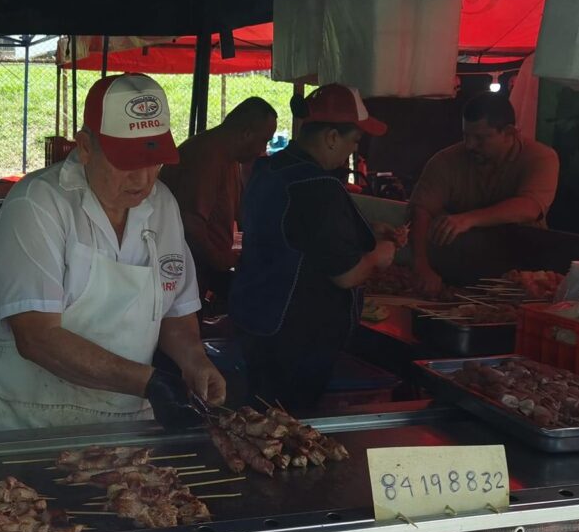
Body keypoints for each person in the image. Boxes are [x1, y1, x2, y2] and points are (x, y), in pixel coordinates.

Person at [0, 73, 226, 433]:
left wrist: (195, 361)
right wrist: (148, 383)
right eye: (127, 161)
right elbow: (37, 337)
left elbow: (175, 313)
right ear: (85, 146)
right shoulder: (37, 204)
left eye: (154, 161)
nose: (143, 179)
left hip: (127, 419)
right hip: (30, 418)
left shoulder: (161, 205)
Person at [229, 84, 396, 412]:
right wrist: (379, 255)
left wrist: (368, 229)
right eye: (354, 141)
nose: (351, 151)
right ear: (332, 137)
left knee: (260, 416)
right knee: (287, 430)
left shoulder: (269, 168)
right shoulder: (317, 185)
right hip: (296, 336)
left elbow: (295, 230)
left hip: (257, 321)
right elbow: (346, 275)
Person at [410, 93, 560, 294]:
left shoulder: (541, 157)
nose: (470, 145)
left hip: (522, 276)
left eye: (480, 138)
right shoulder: (445, 161)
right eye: (466, 136)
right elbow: (421, 210)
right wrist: (421, 265)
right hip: (457, 273)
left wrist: (468, 219)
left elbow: (530, 207)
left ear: (509, 133)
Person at [159, 97, 277, 301]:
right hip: (184, 270)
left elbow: (238, 217)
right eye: (264, 141)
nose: (262, 150)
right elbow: (191, 225)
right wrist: (222, 261)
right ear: (247, 134)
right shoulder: (208, 155)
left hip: (202, 267)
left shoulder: (229, 157)